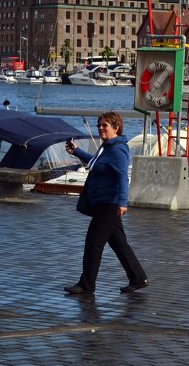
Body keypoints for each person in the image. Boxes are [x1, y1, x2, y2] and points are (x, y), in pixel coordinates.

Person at [63, 112, 148, 295]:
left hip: (110, 203)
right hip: (104, 202)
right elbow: (95, 163)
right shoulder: (107, 148)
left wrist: (123, 203)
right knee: (118, 243)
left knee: (93, 243)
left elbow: (123, 177)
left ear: (116, 128)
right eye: (99, 125)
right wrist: (76, 151)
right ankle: (138, 278)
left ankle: (87, 285)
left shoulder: (117, 149)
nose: (101, 128)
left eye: (105, 125)